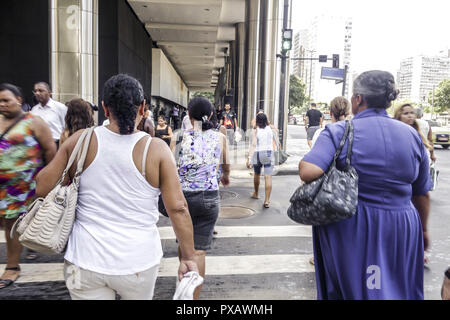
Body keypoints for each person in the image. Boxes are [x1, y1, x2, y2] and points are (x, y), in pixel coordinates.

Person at [35, 74, 198, 300]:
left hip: (82, 262)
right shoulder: (157, 149)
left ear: (104, 107)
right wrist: (188, 258)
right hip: (139, 263)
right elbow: (178, 208)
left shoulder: (81, 140)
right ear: (143, 107)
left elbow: (42, 187)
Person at [299, 70, 431, 300]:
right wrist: (424, 230)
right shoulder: (412, 135)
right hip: (403, 223)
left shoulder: (339, 131)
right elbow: (421, 193)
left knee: (353, 290)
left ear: (358, 99)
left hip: (353, 224)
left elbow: (308, 170)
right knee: (399, 288)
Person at [170, 96, 230, 300]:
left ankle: (184, 283)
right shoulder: (220, 137)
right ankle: (193, 300)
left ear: (188, 115)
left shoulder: (178, 137)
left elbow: (170, 168)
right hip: (209, 197)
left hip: (182, 198)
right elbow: (226, 165)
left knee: (184, 244)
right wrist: (225, 177)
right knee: (199, 251)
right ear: (212, 114)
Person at [0, 83, 56, 289]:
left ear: (19, 100)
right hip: (3, 186)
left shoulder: (34, 122)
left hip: (25, 187)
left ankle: (12, 267)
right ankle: (26, 246)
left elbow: (50, 151)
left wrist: (48, 179)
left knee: (13, 225)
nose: (2, 104)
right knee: (11, 225)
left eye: (6, 100)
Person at [247, 113, 276, 208]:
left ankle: (256, 193)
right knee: (268, 177)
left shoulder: (255, 130)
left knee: (257, 174)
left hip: (257, 153)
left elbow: (254, 144)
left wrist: (249, 158)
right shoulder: (269, 129)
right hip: (268, 153)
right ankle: (267, 200)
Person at [30, 82, 67, 146]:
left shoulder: (60, 107)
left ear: (49, 92)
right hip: (38, 146)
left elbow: (66, 128)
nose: (37, 93)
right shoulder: (34, 110)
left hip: (56, 144)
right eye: (35, 91)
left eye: (41, 91)